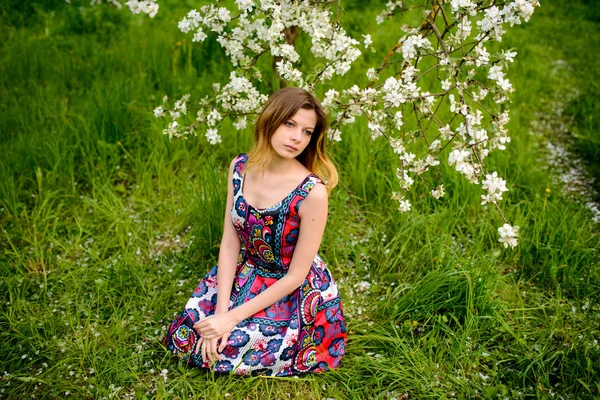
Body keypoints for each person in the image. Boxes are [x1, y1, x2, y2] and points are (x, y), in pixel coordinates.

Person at [163, 87, 347, 377]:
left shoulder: (312, 192)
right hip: (244, 271)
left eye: (307, 131)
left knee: (231, 348)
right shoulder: (240, 168)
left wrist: (231, 320)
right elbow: (229, 242)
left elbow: (296, 276)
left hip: (289, 289)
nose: (297, 138)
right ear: (270, 120)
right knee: (189, 334)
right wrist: (221, 313)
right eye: (290, 124)